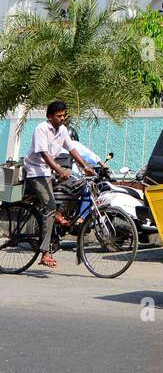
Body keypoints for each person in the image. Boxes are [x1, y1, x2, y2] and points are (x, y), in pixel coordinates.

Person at [23, 101, 95, 269]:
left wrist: (85, 167)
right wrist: (60, 170)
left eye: (64, 115)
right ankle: (45, 252)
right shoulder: (41, 129)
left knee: (77, 185)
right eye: (59, 116)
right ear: (50, 117)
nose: (62, 118)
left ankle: (61, 214)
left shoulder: (62, 130)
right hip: (36, 171)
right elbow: (45, 155)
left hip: (50, 171)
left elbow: (72, 149)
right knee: (49, 207)